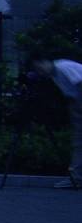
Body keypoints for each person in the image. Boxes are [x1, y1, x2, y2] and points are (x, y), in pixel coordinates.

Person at [34, 58, 82, 189]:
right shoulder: (55, 76)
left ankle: (76, 178)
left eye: (40, 68)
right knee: (78, 144)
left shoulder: (62, 67)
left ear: (45, 62)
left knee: (79, 143)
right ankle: (76, 178)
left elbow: (79, 84)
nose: (41, 72)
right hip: (77, 108)